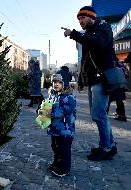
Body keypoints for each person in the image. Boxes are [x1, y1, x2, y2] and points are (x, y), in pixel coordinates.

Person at [61, 6, 117, 161]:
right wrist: (80, 81)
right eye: (78, 19)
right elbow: (85, 61)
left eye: (82, 18)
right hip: (92, 80)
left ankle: (106, 147)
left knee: (98, 115)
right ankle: (110, 145)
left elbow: (99, 44)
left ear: (91, 16)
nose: (80, 21)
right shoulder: (88, 34)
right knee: (99, 115)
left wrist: (73, 34)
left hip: (103, 79)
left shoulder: (103, 27)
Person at [38, 74, 76, 177]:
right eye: (54, 82)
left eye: (59, 82)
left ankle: (64, 168)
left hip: (65, 130)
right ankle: (57, 163)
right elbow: (47, 105)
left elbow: (66, 110)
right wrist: (42, 109)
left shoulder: (69, 96)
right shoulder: (53, 95)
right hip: (55, 128)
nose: (56, 84)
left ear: (64, 84)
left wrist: (52, 113)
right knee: (56, 147)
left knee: (64, 149)